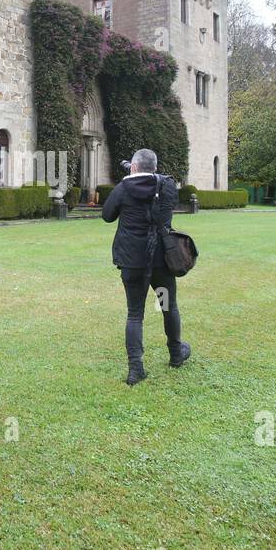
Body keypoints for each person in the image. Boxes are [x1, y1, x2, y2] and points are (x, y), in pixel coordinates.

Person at [102, 148, 191, 385]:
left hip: (133, 263)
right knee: (167, 305)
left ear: (133, 167)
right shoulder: (166, 187)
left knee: (135, 315)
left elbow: (107, 215)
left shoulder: (123, 188)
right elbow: (163, 203)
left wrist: (126, 182)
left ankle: (136, 369)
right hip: (161, 262)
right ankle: (175, 354)